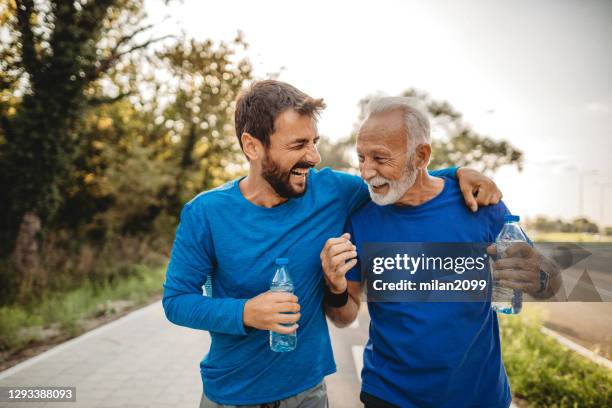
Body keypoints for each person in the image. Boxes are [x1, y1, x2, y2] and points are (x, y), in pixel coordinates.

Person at [162, 81, 502, 407]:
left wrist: (458, 173)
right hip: (230, 392)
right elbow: (177, 301)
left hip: (306, 393)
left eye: (314, 141)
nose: (314, 156)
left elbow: (402, 178)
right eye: (298, 145)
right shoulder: (205, 213)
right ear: (252, 146)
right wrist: (245, 312)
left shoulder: (333, 193)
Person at [321, 97, 562, 408]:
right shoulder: (360, 219)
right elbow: (345, 315)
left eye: (380, 158)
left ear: (421, 156)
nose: (367, 171)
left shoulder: (479, 204)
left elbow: (548, 282)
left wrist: (539, 277)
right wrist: (336, 288)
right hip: (389, 396)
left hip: (479, 396)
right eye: (361, 158)